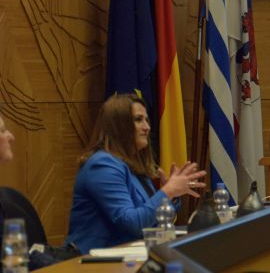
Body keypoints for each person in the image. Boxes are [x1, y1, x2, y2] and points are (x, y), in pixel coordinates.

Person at [66, 93, 206, 254]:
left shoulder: (133, 166)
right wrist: (167, 192)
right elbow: (132, 224)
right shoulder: (102, 165)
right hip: (91, 261)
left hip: (129, 256)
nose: (147, 127)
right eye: (138, 120)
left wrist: (170, 196)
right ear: (118, 125)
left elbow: (151, 223)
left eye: (146, 120)